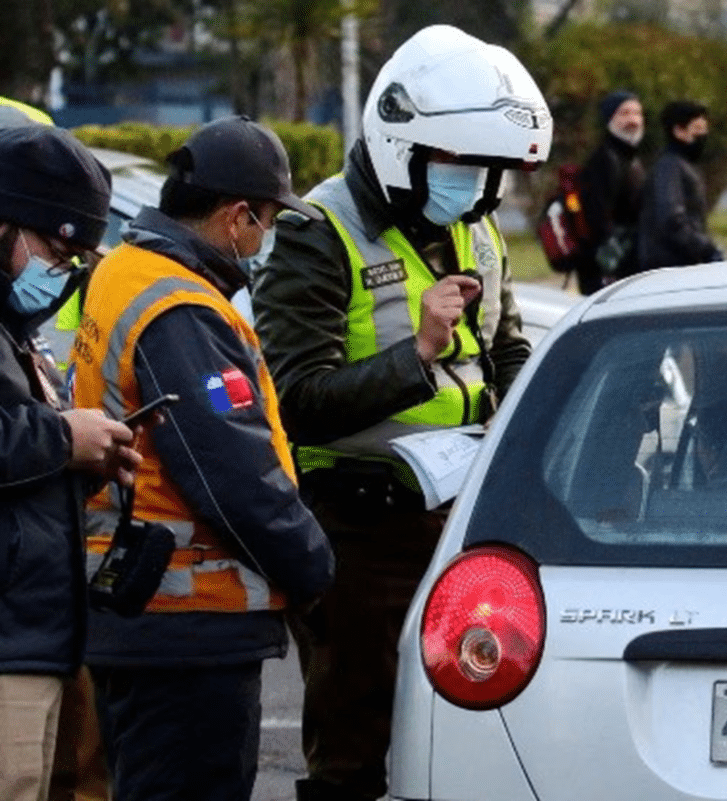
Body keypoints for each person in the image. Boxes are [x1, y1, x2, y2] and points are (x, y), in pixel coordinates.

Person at [251, 24, 551, 801]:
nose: (478, 186)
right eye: (460, 165)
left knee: (475, 727)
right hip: (356, 525)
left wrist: (528, 421)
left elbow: (504, 347)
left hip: (462, 516)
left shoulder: (474, 227)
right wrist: (417, 352)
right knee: (356, 744)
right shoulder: (316, 234)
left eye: (490, 171)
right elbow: (297, 403)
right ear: (401, 149)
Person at [68, 116, 335, 801]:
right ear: (237, 215)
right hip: (189, 629)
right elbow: (234, 473)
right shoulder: (181, 307)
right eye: (268, 221)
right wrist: (315, 570)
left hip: (138, 610)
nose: (265, 239)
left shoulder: (124, 270)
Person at [0, 125, 143, 801]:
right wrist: (64, 438)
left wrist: (90, 455)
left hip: (38, 637)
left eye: (83, 256)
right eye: (60, 249)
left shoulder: (17, 335)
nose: (66, 271)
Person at [634, 100, 724, 273]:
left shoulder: (681, 165)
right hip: (671, 266)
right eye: (697, 129)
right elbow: (672, 219)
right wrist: (706, 249)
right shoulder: (670, 167)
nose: (704, 135)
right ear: (678, 131)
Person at [572, 89, 646, 295]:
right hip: (607, 268)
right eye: (625, 113)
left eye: (637, 113)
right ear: (609, 119)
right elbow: (599, 218)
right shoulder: (604, 160)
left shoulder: (630, 158)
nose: (633, 120)